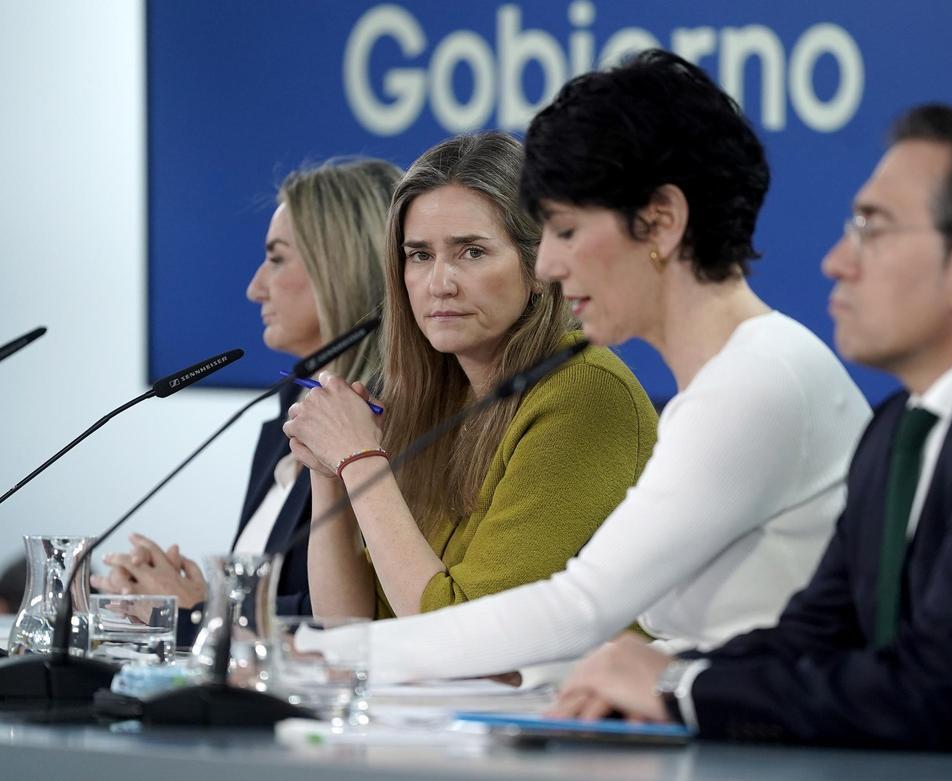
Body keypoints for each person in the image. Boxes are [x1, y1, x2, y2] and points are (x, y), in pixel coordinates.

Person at [552, 104, 952, 779]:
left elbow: (935, 687)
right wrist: (665, 676)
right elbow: (815, 635)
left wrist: (676, 690)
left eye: (872, 228)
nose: (836, 262)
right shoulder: (900, 428)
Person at [296, 50, 869, 682]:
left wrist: (315, 655)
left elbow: (576, 609)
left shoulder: (755, 383)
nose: (549, 267)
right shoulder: (736, 377)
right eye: (418, 256)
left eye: (566, 232)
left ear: (661, 223)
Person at [284, 132, 658, 620]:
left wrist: (360, 459)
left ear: (540, 266)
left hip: (571, 696)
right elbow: (351, 629)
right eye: (419, 255)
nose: (440, 283)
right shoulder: (437, 400)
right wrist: (327, 470)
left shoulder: (585, 392)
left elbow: (463, 633)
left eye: (471, 252)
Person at [92, 158, 400, 639]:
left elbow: (362, 618)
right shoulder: (285, 422)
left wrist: (200, 611)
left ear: (338, 267)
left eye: (276, 259)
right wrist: (182, 593)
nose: (255, 288)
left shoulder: (392, 424)